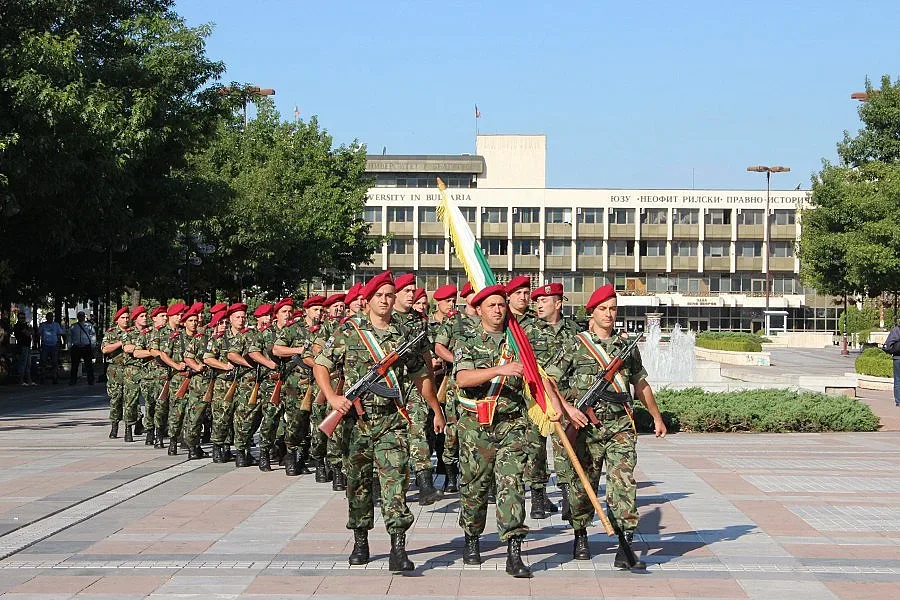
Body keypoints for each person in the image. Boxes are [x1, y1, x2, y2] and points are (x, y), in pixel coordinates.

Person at [313, 270, 446, 572]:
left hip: (392, 422)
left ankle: (398, 548)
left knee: (395, 486)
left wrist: (435, 408)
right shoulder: (349, 332)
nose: (385, 301)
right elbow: (321, 365)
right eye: (380, 296)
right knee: (358, 486)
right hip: (355, 423)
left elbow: (421, 375)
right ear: (368, 300)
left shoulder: (404, 334)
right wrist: (332, 398)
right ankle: (361, 541)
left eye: (389, 295)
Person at [545, 284, 667, 568]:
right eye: (603, 309)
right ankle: (580, 532)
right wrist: (567, 408)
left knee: (623, 483)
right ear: (592, 312)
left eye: (613, 309)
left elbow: (640, 383)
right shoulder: (576, 345)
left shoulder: (626, 347)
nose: (609, 314)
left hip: (620, 427)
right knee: (581, 486)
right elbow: (549, 380)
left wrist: (656, 417)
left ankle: (625, 543)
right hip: (585, 429)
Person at [453, 284, 563, 578]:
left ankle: (514, 550)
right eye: (491, 305)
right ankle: (472, 537)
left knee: (512, 485)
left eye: (502, 305)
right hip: (476, 427)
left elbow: (541, 376)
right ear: (478, 310)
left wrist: (553, 405)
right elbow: (463, 378)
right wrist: (499, 370)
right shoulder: (467, 339)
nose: (498, 310)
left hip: (513, 424)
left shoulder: (519, 341)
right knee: (475, 487)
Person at [102, 307, 130, 438]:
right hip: (115, 370)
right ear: (117, 320)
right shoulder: (111, 333)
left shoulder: (133, 332)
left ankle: (130, 427)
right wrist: (120, 343)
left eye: (127, 317)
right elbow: (105, 349)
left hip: (131, 370)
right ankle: (114, 426)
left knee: (131, 400)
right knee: (116, 398)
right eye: (123, 318)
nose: (125, 320)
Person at [68, 311, 96, 385]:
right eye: (79, 316)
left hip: (86, 347)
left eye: (82, 316)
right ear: (77, 317)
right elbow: (69, 337)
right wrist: (69, 345)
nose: (81, 317)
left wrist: (93, 345)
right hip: (76, 347)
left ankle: (90, 380)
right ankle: (73, 380)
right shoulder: (73, 326)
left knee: (89, 365)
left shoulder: (89, 325)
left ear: (84, 317)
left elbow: (93, 335)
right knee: (74, 365)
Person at [37, 311, 63, 384]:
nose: (50, 318)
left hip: (54, 345)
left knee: (55, 362)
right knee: (43, 362)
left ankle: (54, 377)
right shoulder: (43, 325)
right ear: (46, 318)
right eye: (49, 317)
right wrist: (39, 342)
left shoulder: (56, 325)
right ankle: (43, 377)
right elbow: (39, 333)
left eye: (51, 317)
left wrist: (57, 340)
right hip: (45, 345)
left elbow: (59, 333)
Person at [13, 313, 35, 386]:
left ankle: (29, 380)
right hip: (22, 346)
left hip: (28, 346)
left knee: (28, 364)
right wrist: (30, 331)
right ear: (18, 318)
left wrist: (30, 331)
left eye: (23, 318)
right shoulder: (18, 326)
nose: (22, 319)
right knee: (23, 364)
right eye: (21, 318)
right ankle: (21, 380)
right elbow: (28, 333)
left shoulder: (25, 325)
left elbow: (32, 332)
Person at [884, 321, 900, 407]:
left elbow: (888, 345)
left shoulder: (896, 330)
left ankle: (898, 401)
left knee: (898, 380)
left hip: (897, 358)